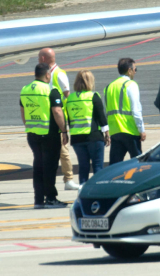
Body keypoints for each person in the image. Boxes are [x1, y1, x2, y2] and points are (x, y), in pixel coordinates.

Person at [20, 63, 68, 209]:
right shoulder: (51, 90)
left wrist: (29, 127)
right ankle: (51, 199)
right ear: (47, 75)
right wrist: (64, 131)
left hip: (32, 134)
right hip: (49, 134)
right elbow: (57, 112)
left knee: (38, 166)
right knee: (50, 167)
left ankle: (39, 200)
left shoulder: (25, 89)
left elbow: (23, 112)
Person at [38, 48, 79, 190]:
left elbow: (68, 96)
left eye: (39, 57)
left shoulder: (59, 74)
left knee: (63, 150)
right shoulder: (44, 73)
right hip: (46, 117)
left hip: (58, 117)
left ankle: (68, 179)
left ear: (43, 59)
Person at [67, 70, 110, 185]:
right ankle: (98, 194)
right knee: (97, 167)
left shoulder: (70, 98)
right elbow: (101, 117)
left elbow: (69, 119)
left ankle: (82, 194)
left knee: (83, 167)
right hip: (93, 136)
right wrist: (107, 134)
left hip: (76, 138)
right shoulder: (93, 96)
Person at [104, 58, 146, 165]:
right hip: (130, 130)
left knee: (114, 166)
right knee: (138, 164)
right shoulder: (130, 85)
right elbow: (136, 110)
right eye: (135, 69)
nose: (135, 72)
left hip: (115, 132)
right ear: (129, 70)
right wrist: (141, 129)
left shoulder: (109, 87)